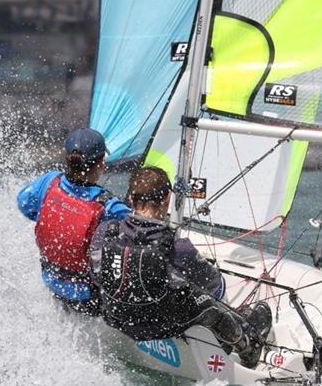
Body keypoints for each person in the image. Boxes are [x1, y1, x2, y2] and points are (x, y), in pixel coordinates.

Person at [90, 166, 271, 368]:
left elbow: (97, 274)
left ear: (131, 199)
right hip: (161, 328)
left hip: (117, 319)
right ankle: (248, 346)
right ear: (167, 198)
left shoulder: (107, 231)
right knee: (208, 304)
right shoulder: (178, 248)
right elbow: (216, 288)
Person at [18, 128, 130, 314]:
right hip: (88, 298)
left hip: (51, 281)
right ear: (102, 162)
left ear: (67, 158)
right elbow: (140, 230)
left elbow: (23, 203)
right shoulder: (109, 207)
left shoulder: (49, 181)